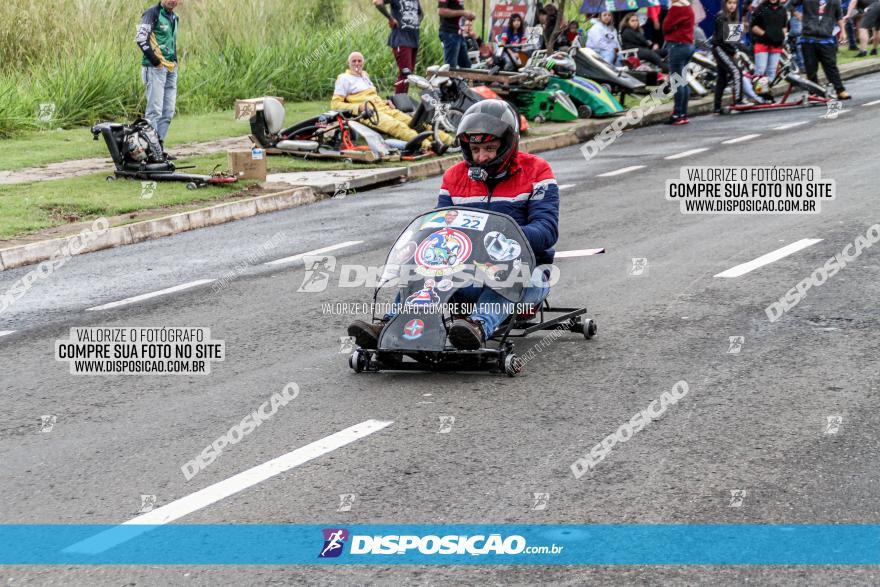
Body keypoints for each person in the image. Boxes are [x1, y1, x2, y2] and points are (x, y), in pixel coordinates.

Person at [347, 100, 559, 350]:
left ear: (508, 143)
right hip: (464, 275)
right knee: (419, 268)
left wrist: (499, 240)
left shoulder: (537, 171)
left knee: (514, 275)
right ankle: (389, 324)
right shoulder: (454, 176)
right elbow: (439, 228)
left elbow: (547, 230)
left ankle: (478, 326)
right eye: (476, 149)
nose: (482, 157)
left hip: (523, 273)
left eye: (490, 148)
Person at [331, 52, 451, 150]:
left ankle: (449, 140)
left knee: (414, 122)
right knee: (397, 126)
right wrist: (359, 108)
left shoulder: (364, 75)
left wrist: (385, 101)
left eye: (359, 61)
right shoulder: (344, 79)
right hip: (368, 112)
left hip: (382, 107)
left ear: (363, 63)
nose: (357, 63)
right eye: (354, 61)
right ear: (348, 63)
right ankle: (429, 146)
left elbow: (371, 95)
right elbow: (335, 104)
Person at [787, 0, 851, 99]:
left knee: (831, 66)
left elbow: (839, 16)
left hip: (826, 38)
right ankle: (814, 92)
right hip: (808, 38)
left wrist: (843, 31)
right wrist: (798, 14)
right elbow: (790, 4)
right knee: (811, 68)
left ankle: (840, 90)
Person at [136, 0, 180, 143]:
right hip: (155, 69)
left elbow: (171, 42)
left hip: (171, 69)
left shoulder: (175, 17)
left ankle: (158, 150)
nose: (173, 1)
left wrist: (175, 62)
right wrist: (156, 62)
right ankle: (150, 150)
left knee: (168, 112)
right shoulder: (152, 13)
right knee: (154, 112)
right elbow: (141, 38)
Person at [373, 0, 423, 94]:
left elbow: (420, 14)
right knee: (405, 73)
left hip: (414, 39)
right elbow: (378, 2)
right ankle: (399, 102)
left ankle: (403, 102)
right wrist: (391, 19)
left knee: (409, 75)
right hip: (401, 40)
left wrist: (415, 22)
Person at [663, 0, 696, 124]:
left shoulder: (676, 7)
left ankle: (677, 114)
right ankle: (683, 113)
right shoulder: (688, 6)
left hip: (678, 45)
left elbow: (666, 26)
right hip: (688, 45)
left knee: (677, 81)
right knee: (682, 80)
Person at [713, 0, 746, 113]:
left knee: (722, 79)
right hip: (720, 49)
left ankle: (717, 107)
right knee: (736, 72)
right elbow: (721, 40)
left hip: (728, 49)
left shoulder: (735, 15)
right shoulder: (721, 16)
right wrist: (733, 52)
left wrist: (738, 50)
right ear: (725, 4)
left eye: (734, 3)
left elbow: (735, 39)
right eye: (729, 3)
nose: (732, 6)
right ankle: (738, 100)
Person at [751, 0, 789, 80]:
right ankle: (756, 92)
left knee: (772, 72)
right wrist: (766, 35)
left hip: (776, 45)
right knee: (760, 71)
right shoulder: (760, 8)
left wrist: (781, 36)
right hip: (762, 44)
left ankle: (768, 91)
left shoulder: (783, 9)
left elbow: (785, 26)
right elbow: (753, 26)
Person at [439, 0, 476, 67]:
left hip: (459, 33)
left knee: (466, 66)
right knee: (450, 67)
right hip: (449, 33)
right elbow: (441, 11)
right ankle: (449, 77)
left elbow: (457, 12)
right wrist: (463, 13)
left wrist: (469, 15)